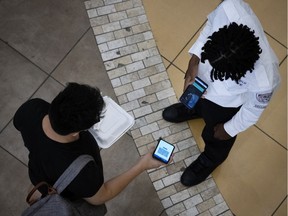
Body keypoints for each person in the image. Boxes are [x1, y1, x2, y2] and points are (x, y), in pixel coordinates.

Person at [162, 0, 280, 187]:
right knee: (195, 101)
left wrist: (228, 129)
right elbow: (209, 27)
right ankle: (194, 110)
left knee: (215, 136)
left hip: (225, 105)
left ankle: (210, 159)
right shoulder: (230, 8)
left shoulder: (265, 78)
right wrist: (194, 60)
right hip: (199, 84)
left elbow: (251, 112)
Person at [14, 82, 166, 209]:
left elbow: (19, 124)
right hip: (67, 196)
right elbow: (100, 196)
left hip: (39, 177)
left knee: (40, 194)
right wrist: (141, 165)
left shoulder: (31, 109)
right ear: (75, 132)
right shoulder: (82, 172)